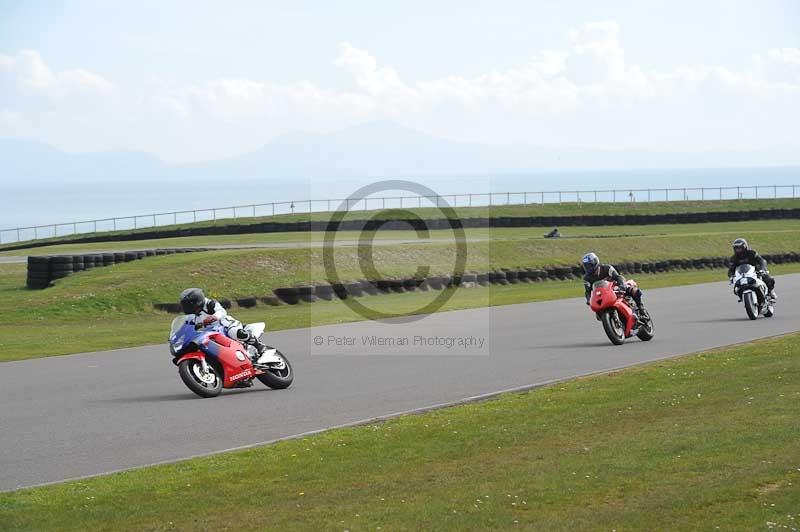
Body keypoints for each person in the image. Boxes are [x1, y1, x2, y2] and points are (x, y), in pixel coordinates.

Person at [179, 287, 267, 357]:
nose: (187, 307)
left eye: (189, 304)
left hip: (225, 325)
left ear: (198, 301)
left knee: (234, 332)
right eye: (185, 304)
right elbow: (185, 327)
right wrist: (177, 336)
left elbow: (222, 311)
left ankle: (258, 345)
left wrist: (214, 317)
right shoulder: (190, 316)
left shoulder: (210, 304)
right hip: (209, 333)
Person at [581, 252, 646, 316]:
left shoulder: (607, 268)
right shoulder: (587, 278)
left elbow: (618, 277)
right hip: (603, 295)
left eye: (589, 265)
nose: (588, 268)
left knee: (634, 290)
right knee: (598, 312)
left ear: (595, 262)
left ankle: (641, 308)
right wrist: (589, 300)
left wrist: (621, 285)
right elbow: (588, 292)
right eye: (586, 266)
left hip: (616, 289)